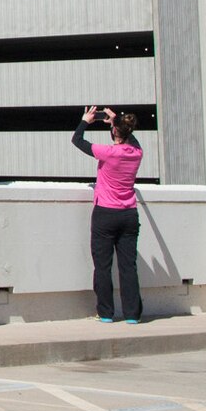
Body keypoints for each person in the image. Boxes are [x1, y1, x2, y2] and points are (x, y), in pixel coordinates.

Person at [73, 106, 144, 323]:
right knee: (128, 266)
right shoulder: (136, 153)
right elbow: (131, 140)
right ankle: (132, 315)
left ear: (114, 132)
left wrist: (85, 120)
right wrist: (115, 121)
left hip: (105, 212)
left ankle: (105, 312)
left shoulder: (108, 152)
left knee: (103, 266)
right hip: (129, 214)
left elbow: (77, 140)